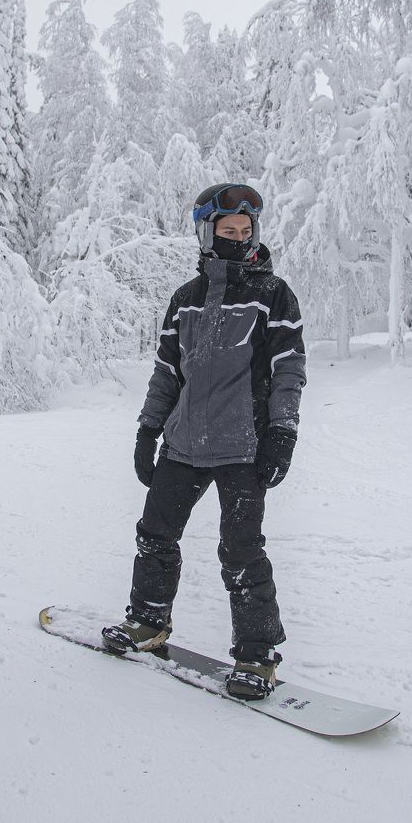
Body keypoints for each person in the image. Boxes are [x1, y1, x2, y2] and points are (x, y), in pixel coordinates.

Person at [102, 183, 306, 699]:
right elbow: (167, 373)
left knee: (240, 551)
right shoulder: (185, 300)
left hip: (244, 448)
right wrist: (149, 430)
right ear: (206, 233)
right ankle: (149, 622)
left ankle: (256, 658)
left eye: (246, 231)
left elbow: (289, 372)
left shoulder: (273, 296)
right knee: (154, 533)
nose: (240, 239)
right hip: (184, 444)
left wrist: (282, 433)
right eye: (228, 231)